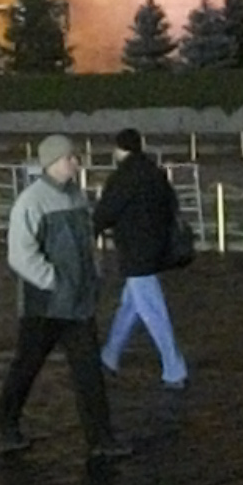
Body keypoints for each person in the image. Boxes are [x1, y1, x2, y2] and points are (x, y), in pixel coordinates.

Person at [0, 134, 130, 461]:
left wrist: (93, 272)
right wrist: (53, 280)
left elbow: (87, 242)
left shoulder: (76, 196)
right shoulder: (31, 201)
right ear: (53, 162)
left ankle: (101, 439)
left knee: (89, 372)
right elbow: (20, 254)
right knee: (27, 366)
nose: (76, 162)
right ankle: (5, 423)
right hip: (44, 305)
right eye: (70, 157)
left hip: (77, 301)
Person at [92, 127, 189, 388]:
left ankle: (174, 369)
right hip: (156, 249)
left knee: (153, 311)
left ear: (119, 149)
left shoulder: (122, 177)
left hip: (134, 252)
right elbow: (171, 205)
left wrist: (90, 232)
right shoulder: (155, 173)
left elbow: (105, 212)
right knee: (132, 305)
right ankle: (110, 355)